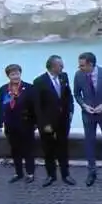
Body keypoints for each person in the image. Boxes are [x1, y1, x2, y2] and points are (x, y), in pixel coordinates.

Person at [73, 52, 102, 186]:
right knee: (89, 143)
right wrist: (84, 105)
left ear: (90, 64)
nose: (79, 67)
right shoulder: (78, 75)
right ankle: (91, 171)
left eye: (82, 65)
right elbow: (76, 94)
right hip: (88, 115)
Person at [32, 55, 76, 187]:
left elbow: (68, 95)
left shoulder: (64, 77)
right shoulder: (39, 81)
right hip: (48, 124)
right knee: (48, 150)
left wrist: (71, 111)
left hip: (63, 121)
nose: (62, 67)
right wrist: (44, 124)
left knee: (63, 148)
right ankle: (51, 175)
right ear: (52, 66)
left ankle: (65, 174)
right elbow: (37, 106)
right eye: (60, 65)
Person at [0, 64, 36, 183]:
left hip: (26, 123)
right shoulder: (3, 89)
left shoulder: (29, 88)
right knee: (15, 150)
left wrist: (35, 123)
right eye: (12, 74)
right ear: (8, 76)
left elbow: (35, 106)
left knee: (28, 150)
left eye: (17, 73)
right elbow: (0, 107)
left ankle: (30, 173)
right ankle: (18, 173)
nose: (15, 76)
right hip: (10, 124)